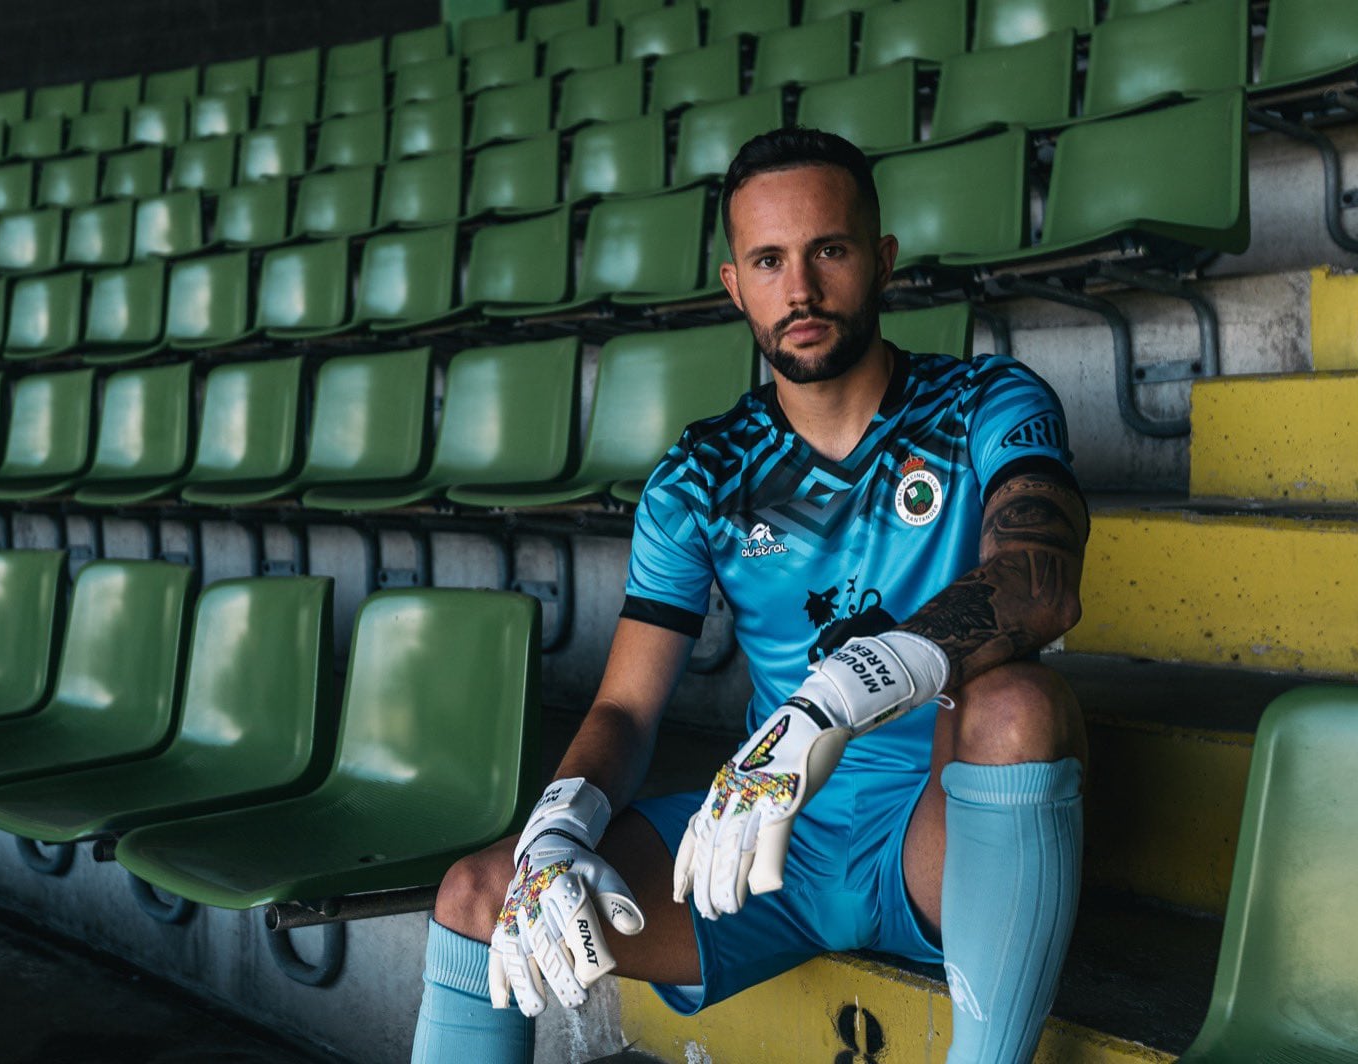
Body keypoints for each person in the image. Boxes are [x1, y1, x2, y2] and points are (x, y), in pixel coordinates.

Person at [411, 128, 1090, 1064]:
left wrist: (838, 697)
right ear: (736, 286)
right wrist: (562, 823)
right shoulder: (701, 474)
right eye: (769, 261)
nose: (800, 290)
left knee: (1019, 703)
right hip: (767, 840)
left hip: (942, 827)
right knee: (482, 898)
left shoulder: (987, 403)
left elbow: (1039, 582)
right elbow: (624, 703)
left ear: (881, 261)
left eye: (830, 251)